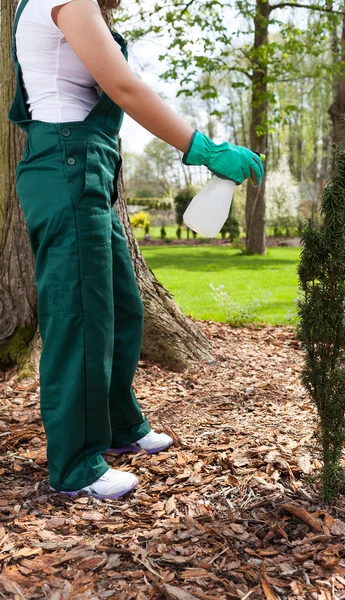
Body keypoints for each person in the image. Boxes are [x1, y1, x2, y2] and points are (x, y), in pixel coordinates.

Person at [9, 0, 264, 501]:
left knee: (122, 306)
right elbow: (125, 87)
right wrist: (204, 151)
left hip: (85, 165)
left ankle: (120, 424)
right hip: (67, 162)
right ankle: (75, 465)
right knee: (80, 316)